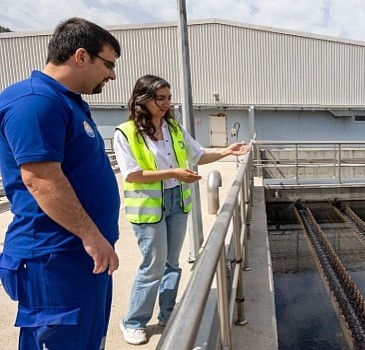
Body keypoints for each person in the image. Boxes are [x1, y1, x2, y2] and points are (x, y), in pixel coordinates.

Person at [0, 18, 121, 349]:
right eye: (109, 64)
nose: (112, 75)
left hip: (79, 255)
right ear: (81, 57)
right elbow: (41, 179)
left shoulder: (66, 102)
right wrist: (92, 236)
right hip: (55, 258)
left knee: (85, 340)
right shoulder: (35, 101)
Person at [114, 75, 249, 345]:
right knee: (152, 266)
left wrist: (227, 152)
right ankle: (133, 321)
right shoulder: (126, 132)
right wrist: (173, 172)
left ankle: (167, 313)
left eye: (168, 98)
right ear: (143, 99)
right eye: (159, 98)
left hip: (177, 202)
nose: (165, 103)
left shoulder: (173, 128)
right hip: (149, 207)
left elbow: (198, 155)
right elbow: (132, 174)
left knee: (171, 265)